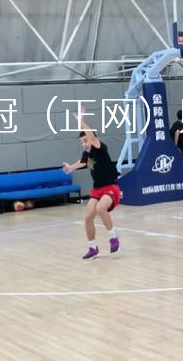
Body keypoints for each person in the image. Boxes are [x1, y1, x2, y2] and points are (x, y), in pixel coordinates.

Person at [62, 107, 120, 260]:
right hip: (97, 189)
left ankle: (113, 237)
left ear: (92, 139)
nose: (83, 143)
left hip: (111, 187)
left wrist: (81, 120)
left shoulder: (99, 147)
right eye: (81, 142)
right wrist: (71, 168)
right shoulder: (86, 154)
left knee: (101, 208)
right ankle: (93, 248)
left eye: (85, 140)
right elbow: (82, 162)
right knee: (88, 217)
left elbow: (91, 135)